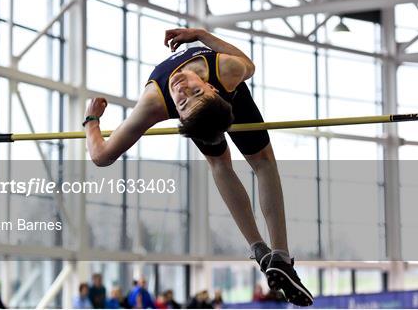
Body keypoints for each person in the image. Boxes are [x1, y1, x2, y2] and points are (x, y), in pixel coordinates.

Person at [84, 27, 313, 306]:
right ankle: (278, 256)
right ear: (178, 115)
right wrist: (201, 36)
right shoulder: (175, 95)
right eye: (182, 100)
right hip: (203, 117)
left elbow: (101, 155)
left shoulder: (209, 78)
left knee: (234, 163)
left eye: (193, 91)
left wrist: (91, 120)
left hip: (232, 99)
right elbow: (101, 156)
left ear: (210, 88)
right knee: (252, 163)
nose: (181, 88)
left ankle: (268, 252)